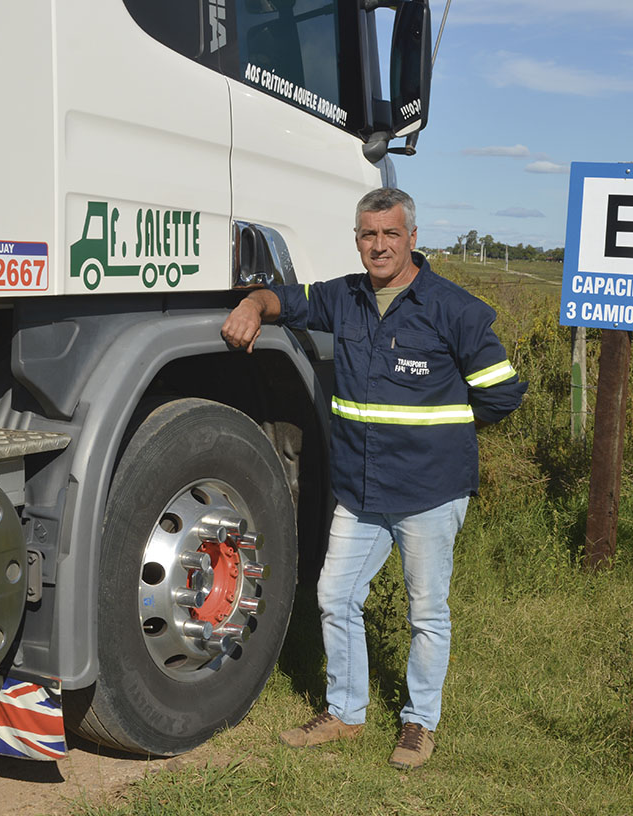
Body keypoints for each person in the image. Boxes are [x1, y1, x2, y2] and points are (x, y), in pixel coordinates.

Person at [220, 188, 526, 769]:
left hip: (429, 493)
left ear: (413, 237)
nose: (379, 245)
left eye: (390, 233)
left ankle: (419, 724)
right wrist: (254, 306)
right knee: (335, 596)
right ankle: (344, 713)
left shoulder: (454, 310)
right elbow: (285, 298)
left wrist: (439, 433)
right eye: (368, 234)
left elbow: (502, 393)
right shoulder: (346, 298)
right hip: (361, 492)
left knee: (425, 613)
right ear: (357, 239)